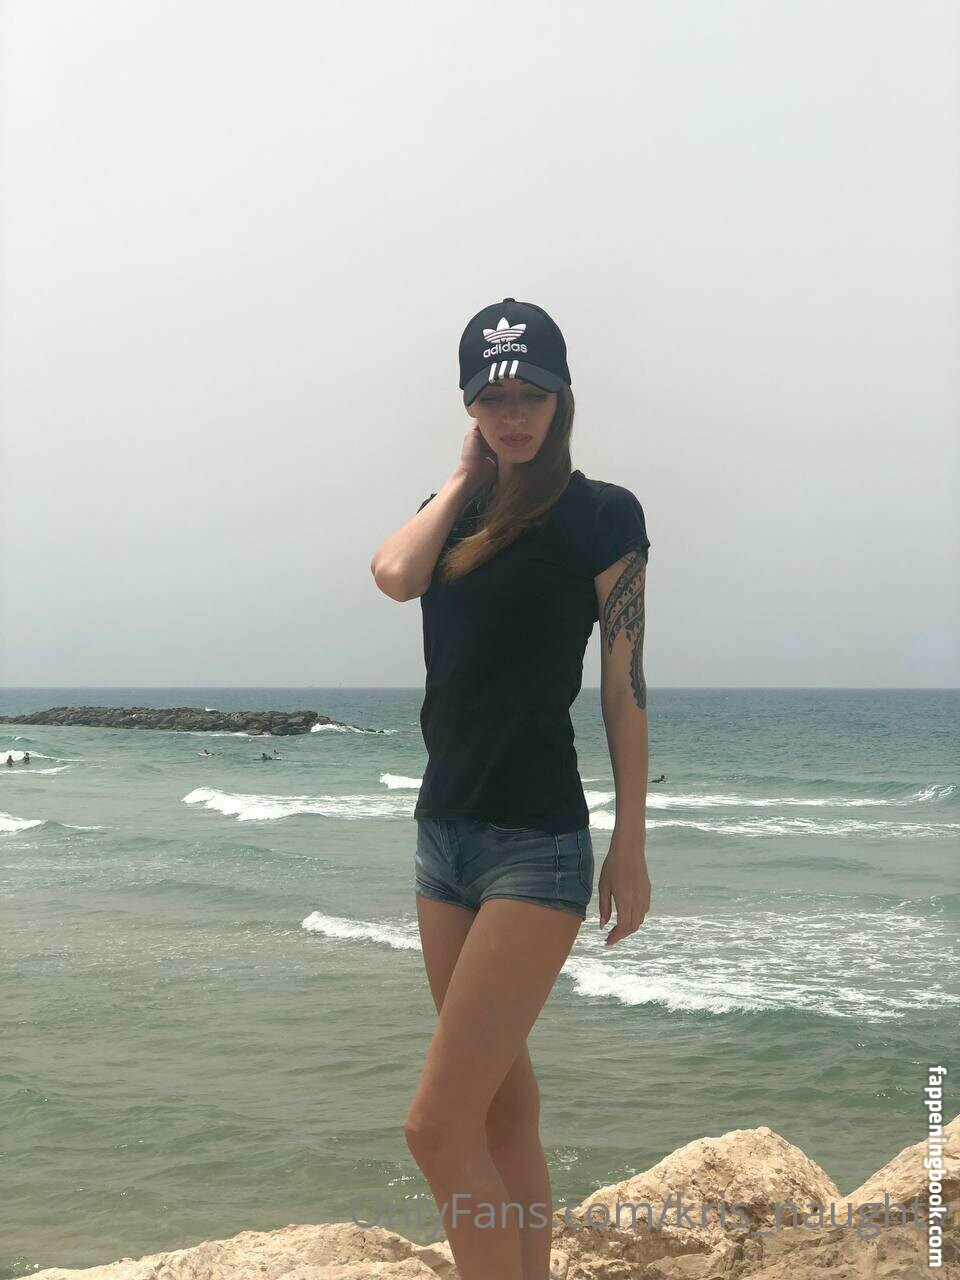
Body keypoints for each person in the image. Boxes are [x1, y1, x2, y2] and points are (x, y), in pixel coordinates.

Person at [371, 297, 653, 1280]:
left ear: (561, 395)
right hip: (442, 838)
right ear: (469, 407)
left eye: (531, 393)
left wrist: (630, 842)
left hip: (537, 844)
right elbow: (393, 574)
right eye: (492, 397)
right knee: (501, 1109)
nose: (513, 413)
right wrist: (461, 478)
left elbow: (623, 686)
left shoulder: (603, 515)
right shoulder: (450, 511)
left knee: (434, 1126)